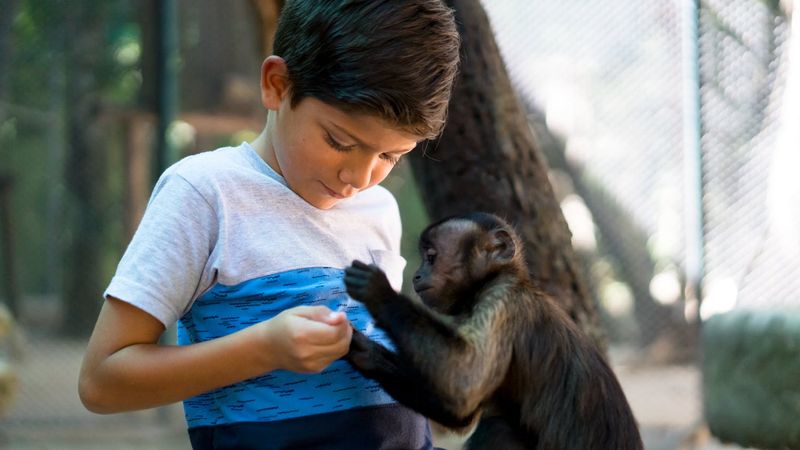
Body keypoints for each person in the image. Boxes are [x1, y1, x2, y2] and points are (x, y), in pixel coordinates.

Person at [78, 1, 460, 449]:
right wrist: (264, 348)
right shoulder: (205, 194)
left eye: (390, 156)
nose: (359, 178)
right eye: (339, 141)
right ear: (277, 84)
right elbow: (102, 382)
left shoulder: (379, 209)